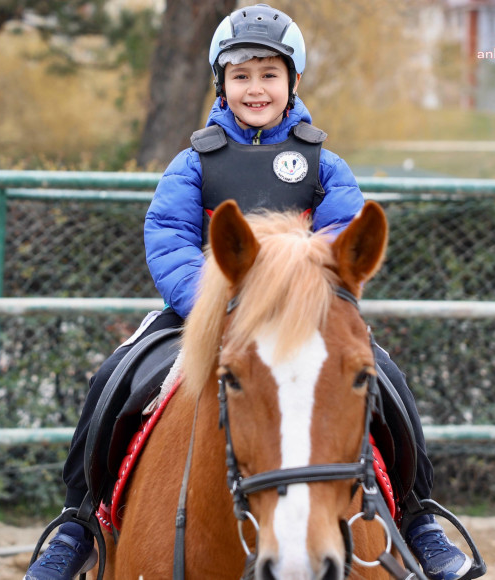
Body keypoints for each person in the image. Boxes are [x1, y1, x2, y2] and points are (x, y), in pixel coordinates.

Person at [26, 4, 472, 580]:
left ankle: (416, 517)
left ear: (292, 82)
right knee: (114, 379)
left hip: (306, 313)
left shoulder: (325, 163)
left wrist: (302, 282)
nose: (255, 88)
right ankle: (79, 520)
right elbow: (169, 235)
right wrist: (217, 301)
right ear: (222, 83)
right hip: (208, 312)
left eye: (268, 74)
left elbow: (342, 229)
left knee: (384, 380)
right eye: (241, 75)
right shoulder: (193, 163)